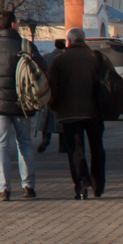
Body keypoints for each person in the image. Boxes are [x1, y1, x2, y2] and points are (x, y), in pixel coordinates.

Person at [0, 10, 44, 202]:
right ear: (13, 24)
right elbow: (41, 67)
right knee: (25, 143)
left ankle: (3, 188)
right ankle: (28, 185)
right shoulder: (25, 45)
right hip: (23, 103)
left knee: (1, 144)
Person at [45, 29, 107, 199]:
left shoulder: (59, 60)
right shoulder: (97, 58)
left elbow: (53, 87)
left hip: (69, 113)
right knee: (97, 147)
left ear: (68, 41)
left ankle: (82, 184)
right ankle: (98, 184)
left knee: (75, 149)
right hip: (94, 111)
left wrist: (53, 106)